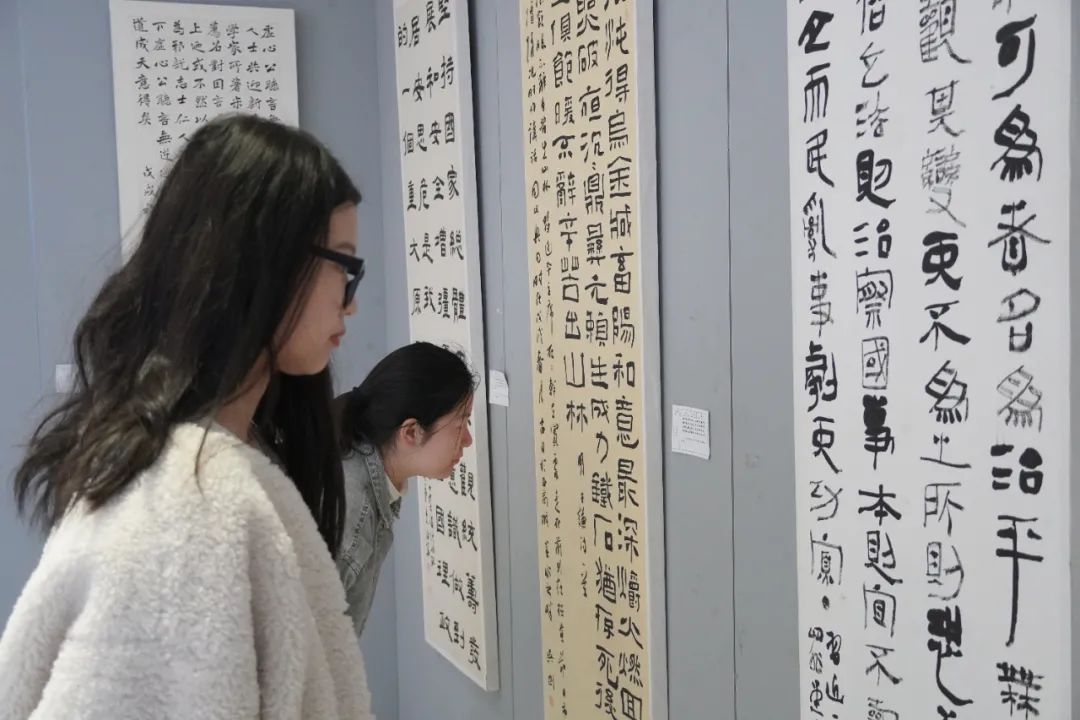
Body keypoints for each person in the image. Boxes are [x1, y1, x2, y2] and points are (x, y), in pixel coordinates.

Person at [0, 114, 374, 720]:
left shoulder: (218, 463)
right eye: (346, 267)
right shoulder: (189, 504)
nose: (351, 305)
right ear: (269, 263)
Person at [334, 341, 476, 638]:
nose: (467, 439)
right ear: (411, 432)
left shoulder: (368, 482)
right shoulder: (353, 508)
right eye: (460, 424)